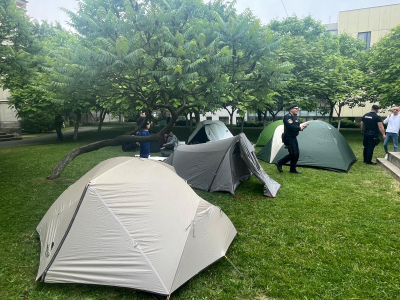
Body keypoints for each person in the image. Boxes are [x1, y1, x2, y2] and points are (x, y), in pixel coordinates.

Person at [276, 104, 308, 174]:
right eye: (296, 108)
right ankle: (280, 163)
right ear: (291, 109)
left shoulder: (294, 117)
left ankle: (293, 169)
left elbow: (295, 126)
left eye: (298, 108)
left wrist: (301, 127)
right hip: (289, 137)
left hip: (293, 137)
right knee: (293, 154)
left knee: (296, 154)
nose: (297, 110)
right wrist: (299, 128)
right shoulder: (288, 117)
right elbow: (290, 126)